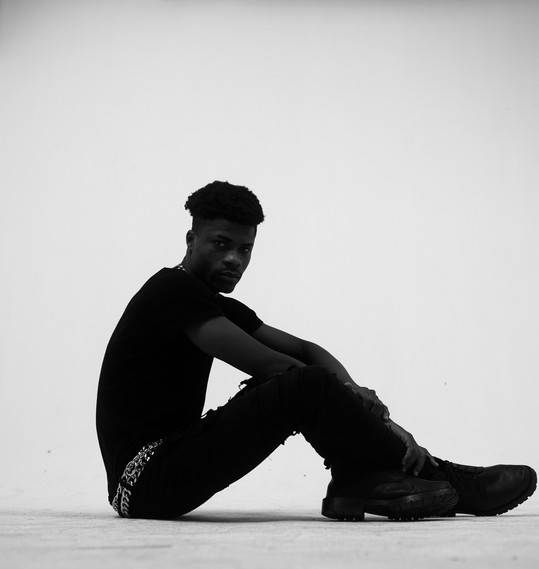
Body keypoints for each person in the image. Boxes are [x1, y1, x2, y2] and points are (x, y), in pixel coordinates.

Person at [96, 180, 536, 521]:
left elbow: (306, 349)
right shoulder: (172, 290)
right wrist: (369, 415)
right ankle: (443, 481)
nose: (235, 259)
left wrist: (357, 395)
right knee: (300, 386)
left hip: (167, 466)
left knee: (308, 383)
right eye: (221, 244)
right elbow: (273, 365)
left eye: (245, 249)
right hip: (144, 479)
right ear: (191, 238)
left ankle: (359, 478)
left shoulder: (215, 304)